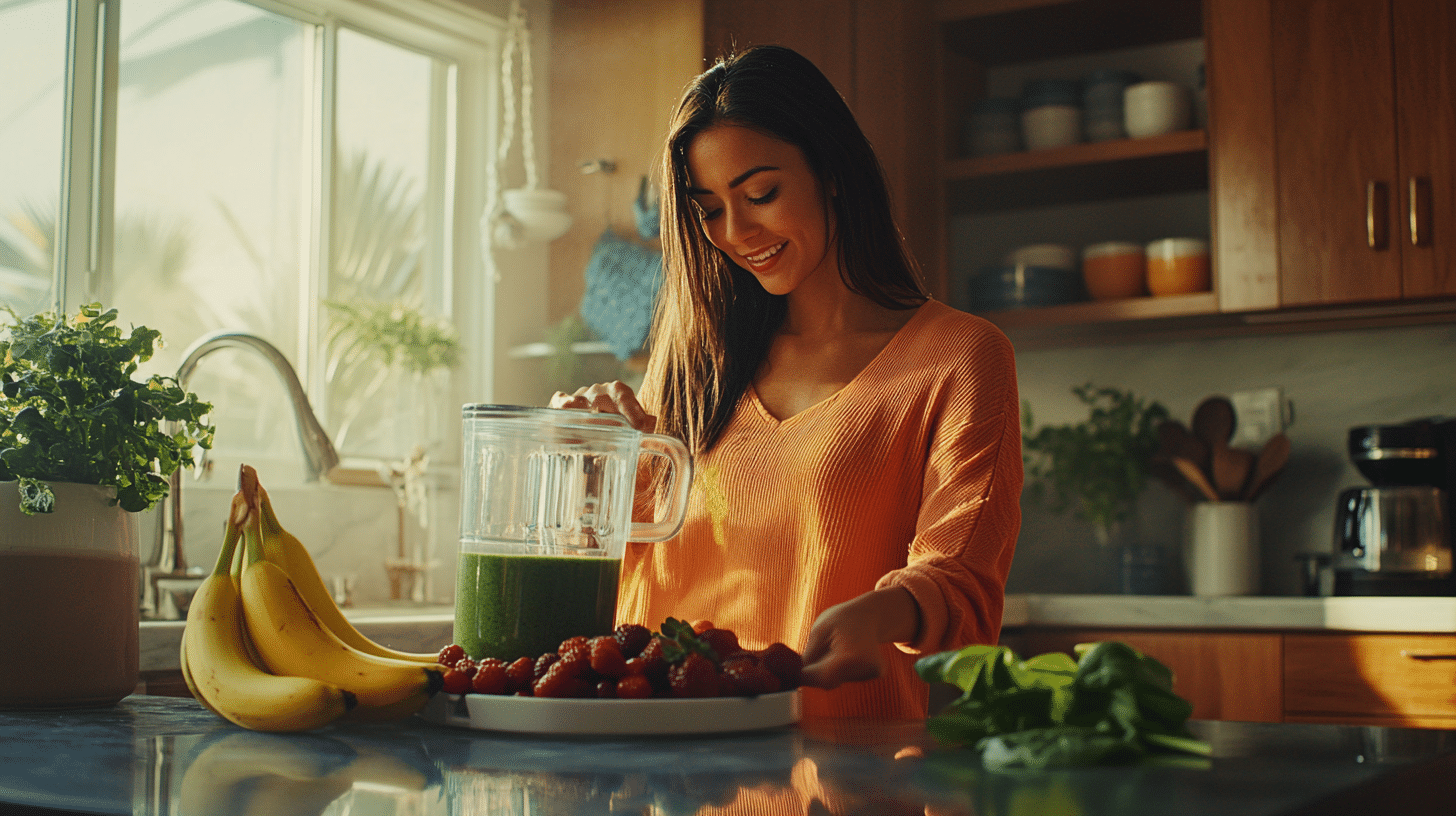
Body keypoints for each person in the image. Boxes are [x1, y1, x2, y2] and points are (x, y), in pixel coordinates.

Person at [551, 44, 1021, 720]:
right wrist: (599, 464)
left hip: (841, 774)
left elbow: (964, 579)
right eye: (709, 208)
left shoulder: (958, 357)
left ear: (830, 171)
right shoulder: (691, 365)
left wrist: (883, 612)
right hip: (660, 776)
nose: (736, 233)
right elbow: (626, 580)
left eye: (761, 194)